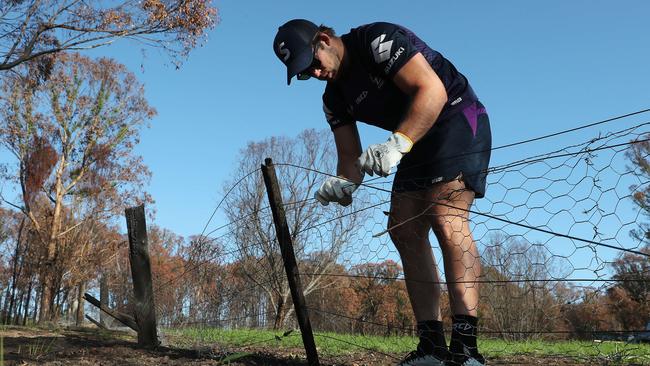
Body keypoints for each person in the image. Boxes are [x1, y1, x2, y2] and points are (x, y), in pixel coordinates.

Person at [273, 19, 491, 366]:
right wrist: (342, 184)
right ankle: (431, 346)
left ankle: (466, 348)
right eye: (303, 73)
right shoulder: (333, 99)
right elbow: (348, 159)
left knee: (445, 216)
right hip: (414, 139)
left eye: (313, 64)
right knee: (403, 230)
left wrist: (398, 142)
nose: (314, 74)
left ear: (325, 40)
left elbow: (431, 91)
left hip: (454, 116)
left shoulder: (377, 41)